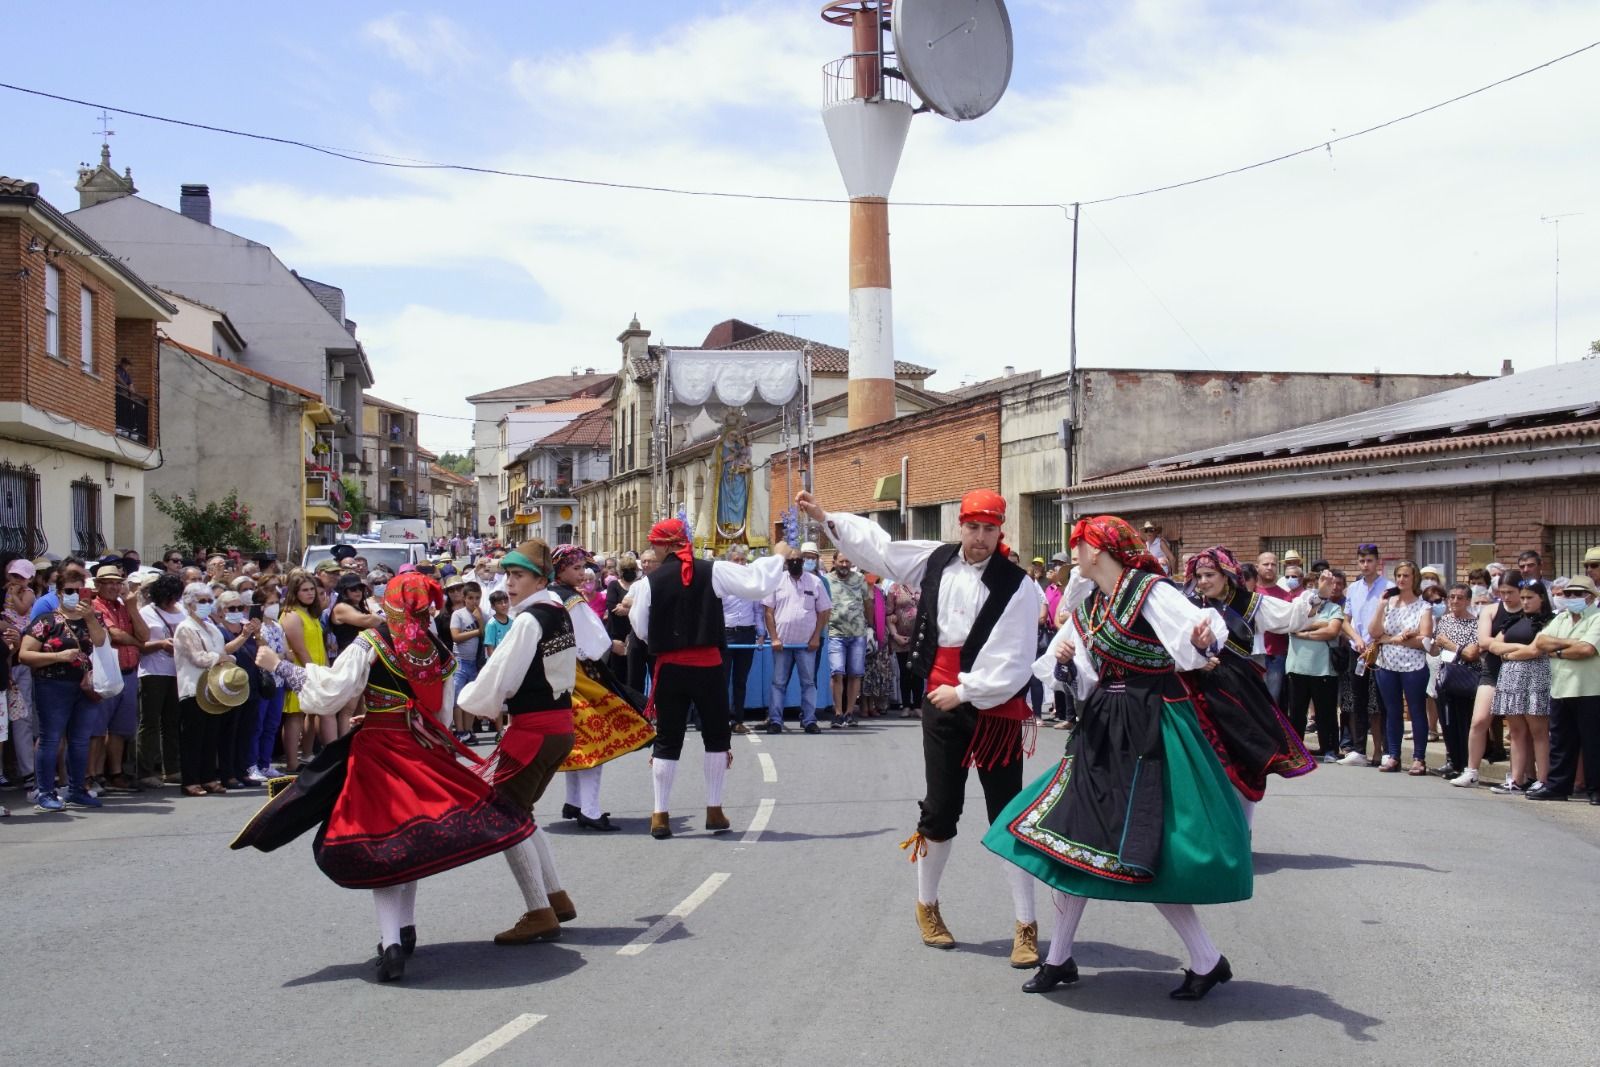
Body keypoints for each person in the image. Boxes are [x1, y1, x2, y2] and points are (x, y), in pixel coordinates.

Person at [984, 515, 1249, 1001]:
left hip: (1153, 727)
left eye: (1079, 545)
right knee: (1070, 840)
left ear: (1101, 549)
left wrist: (1202, 638)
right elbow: (1083, 679)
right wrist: (1065, 662)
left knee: (1147, 851)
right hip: (1105, 726)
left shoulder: (1149, 591)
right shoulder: (1090, 608)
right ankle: (1062, 958)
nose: (1075, 555)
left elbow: (1194, 630)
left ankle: (1206, 959)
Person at [246, 571, 537, 981]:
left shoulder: (374, 640)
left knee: (382, 843)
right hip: (421, 748)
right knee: (410, 840)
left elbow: (333, 692)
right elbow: (439, 710)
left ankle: (393, 942)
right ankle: (406, 927)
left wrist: (279, 666)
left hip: (380, 751)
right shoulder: (435, 648)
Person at [799, 489, 1041, 969]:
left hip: (993, 706)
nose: (979, 538)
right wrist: (831, 519)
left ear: (1001, 531)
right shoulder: (935, 559)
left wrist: (966, 690)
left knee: (1007, 812)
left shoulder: (1019, 585)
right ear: (961, 526)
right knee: (942, 808)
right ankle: (927, 906)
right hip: (940, 701)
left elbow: (1015, 657)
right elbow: (881, 550)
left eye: (988, 530)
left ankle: (1025, 925)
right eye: (972, 528)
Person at [456, 540, 586, 944]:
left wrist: (468, 702)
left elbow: (501, 676)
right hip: (558, 728)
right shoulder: (559, 613)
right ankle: (556, 897)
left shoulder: (529, 621)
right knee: (521, 812)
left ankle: (538, 910)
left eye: (518, 576)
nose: (509, 583)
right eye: (508, 575)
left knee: (505, 817)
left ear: (539, 580)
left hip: (534, 730)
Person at [628, 520, 788, 840]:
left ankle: (660, 814)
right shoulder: (713, 570)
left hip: (671, 668)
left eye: (655, 544)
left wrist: (666, 642)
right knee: (716, 736)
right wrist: (778, 556)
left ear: (664, 545)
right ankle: (714, 809)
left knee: (668, 738)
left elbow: (641, 627)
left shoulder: (649, 582)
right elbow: (757, 584)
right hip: (708, 666)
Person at [1182, 548, 1318, 824]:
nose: (1204, 581)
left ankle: (1242, 831)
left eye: (1210, 575)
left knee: (1243, 760)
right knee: (1202, 762)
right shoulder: (1188, 604)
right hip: (1195, 690)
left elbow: (1291, 617)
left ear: (1227, 575)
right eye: (1199, 576)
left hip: (1236, 690)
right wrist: (1195, 660)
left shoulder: (1249, 603)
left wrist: (1318, 597)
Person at [542, 545, 654, 832]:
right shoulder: (571, 600)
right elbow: (594, 641)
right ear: (560, 569)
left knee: (576, 741)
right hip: (579, 675)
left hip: (554, 674)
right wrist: (611, 646)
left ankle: (574, 802)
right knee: (594, 740)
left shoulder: (548, 595)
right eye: (576, 568)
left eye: (582, 568)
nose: (582, 574)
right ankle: (589, 809)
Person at [18, 569, 108, 812]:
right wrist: (59, 656)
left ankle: (77, 789)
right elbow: (24, 654)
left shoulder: (94, 618)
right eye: (69, 591)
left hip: (86, 686)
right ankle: (45, 792)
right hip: (52, 685)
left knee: (79, 740)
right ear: (59, 593)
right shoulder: (46, 621)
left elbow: (100, 643)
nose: (75, 595)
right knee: (50, 739)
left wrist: (90, 618)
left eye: (80, 591)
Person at [1531, 574, 1600, 803]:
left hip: (1590, 689)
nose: (1571, 598)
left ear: (1590, 597)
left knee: (1593, 743)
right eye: (1568, 594)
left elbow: (1587, 650)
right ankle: (1558, 786)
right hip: (1561, 688)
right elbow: (1540, 642)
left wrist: (1558, 650)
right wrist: (1573, 643)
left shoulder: (1597, 618)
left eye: (1577, 594)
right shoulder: (1561, 618)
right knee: (1561, 741)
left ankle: (1596, 789)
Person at [1453, 570, 1523, 788]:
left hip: (1519, 673)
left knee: (1517, 728)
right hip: (1492, 670)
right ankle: (1471, 770)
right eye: (1502, 592)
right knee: (1479, 720)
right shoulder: (1491, 610)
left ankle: (1517, 776)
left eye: (1511, 592)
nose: (1506, 597)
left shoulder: (1528, 611)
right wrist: (1512, 645)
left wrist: (1499, 645)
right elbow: (1484, 642)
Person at [1486, 580, 1554, 793]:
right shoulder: (1514, 620)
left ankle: (1543, 779)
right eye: (1522, 598)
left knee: (1539, 731)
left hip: (1535, 678)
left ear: (1541, 598)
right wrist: (1516, 648)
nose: (1524, 602)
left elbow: (1535, 650)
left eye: (1529, 598)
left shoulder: (1549, 622)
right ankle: (1517, 778)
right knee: (1516, 731)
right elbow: (1494, 645)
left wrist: (1511, 654)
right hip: (1510, 679)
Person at [1370, 560, 1434, 775]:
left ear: (1414, 578)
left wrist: (1392, 639)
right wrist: (1380, 605)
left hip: (1413, 665)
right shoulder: (1389, 603)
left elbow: (1424, 638)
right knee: (1392, 710)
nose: (1401, 580)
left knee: (1416, 710)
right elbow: (1375, 633)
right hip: (1387, 664)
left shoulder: (1423, 606)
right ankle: (1393, 755)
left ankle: (1419, 758)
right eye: (1398, 575)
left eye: (1406, 576)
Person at [763, 542, 832, 734]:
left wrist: (816, 637)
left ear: (803, 562)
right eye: (790, 560)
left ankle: (809, 719)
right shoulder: (776, 581)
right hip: (782, 644)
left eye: (797, 560)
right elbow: (768, 612)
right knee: (778, 683)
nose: (794, 563)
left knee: (808, 683)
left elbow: (824, 611)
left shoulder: (815, 582)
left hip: (806, 645)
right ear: (785, 563)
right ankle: (776, 720)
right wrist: (774, 638)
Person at [90, 562, 146, 792]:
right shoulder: (95, 606)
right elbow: (115, 635)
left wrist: (132, 608)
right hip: (107, 673)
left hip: (129, 672)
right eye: (108, 583)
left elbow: (144, 633)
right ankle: (93, 773)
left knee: (120, 729)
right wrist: (137, 642)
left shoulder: (124, 606)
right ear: (98, 585)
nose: (114, 587)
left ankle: (115, 773)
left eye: (117, 582)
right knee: (98, 728)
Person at [1337, 543, 1394, 766]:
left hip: (1381, 651)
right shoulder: (1353, 589)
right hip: (1358, 651)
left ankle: (1389, 751)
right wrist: (1357, 639)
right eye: (1361, 561)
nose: (1365, 565)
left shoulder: (1388, 588)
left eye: (1369, 560)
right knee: (1358, 700)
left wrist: (1374, 641)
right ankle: (1359, 750)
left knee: (1382, 702)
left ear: (1377, 562)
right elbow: (1345, 620)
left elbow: (1391, 620)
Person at [1284, 567, 1348, 760]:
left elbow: (1332, 631)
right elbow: (1293, 624)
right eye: (1313, 586)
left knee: (1326, 713)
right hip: (1297, 668)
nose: (1317, 590)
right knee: (1296, 712)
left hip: (1323, 669)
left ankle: (1329, 749)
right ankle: (1296, 750)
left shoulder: (1335, 609)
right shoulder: (1298, 606)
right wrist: (1320, 624)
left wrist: (1304, 633)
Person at [1429, 582, 1482, 779]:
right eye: (1452, 597)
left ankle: (1464, 763)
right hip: (1444, 675)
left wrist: (1449, 644)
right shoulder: (1444, 621)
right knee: (1447, 721)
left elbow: (1471, 653)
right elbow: (1436, 647)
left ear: (1468, 601)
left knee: (1463, 721)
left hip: (1465, 677)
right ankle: (1451, 760)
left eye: (1460, 598)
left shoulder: (1475, 623)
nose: (1454, 601)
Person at [279, 570, 329, 772]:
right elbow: (299, 648)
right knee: (295, 715)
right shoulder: (291, 614)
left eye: (312, 590)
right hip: (301, 670)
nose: (310, 593)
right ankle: (292, 762)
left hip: (317, 667)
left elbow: (320, 645)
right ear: (294, 592)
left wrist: (325, 669)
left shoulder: (311, 613)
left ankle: (307, 754)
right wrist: (313, 672)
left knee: (312, 713)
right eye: (305, 590)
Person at [721, 544, 762, 735]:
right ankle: (720, 720)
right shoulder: (721, 582)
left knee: (740, 679)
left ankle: (738, 720)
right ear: (729, 562)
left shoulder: (751, 582)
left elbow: (757, 610)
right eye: (736, 560)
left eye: (742, 560)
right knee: (722, 678)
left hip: (747, 633)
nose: (739, 563)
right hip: (726, 633)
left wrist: (761, 633)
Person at [825, 553, 870, 728]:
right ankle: (838, 713)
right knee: (837, 672)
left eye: (847, 561)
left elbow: (868, 603)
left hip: (857, 633)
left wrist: (871, 626)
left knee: (855, 673)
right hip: (835, 632)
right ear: (834, 562)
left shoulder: (860, 579)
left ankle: (850, 712)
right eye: (841, 561)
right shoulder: (826, 580)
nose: (844, 564)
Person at [886, 576, 920, 719]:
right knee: (905, 672)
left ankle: (918, 706)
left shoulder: (923, 585)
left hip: (921, 637)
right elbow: (889, 614)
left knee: (918, 672)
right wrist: (895, 635)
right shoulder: (894, 588)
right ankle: (906, 705)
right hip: (901, 638)